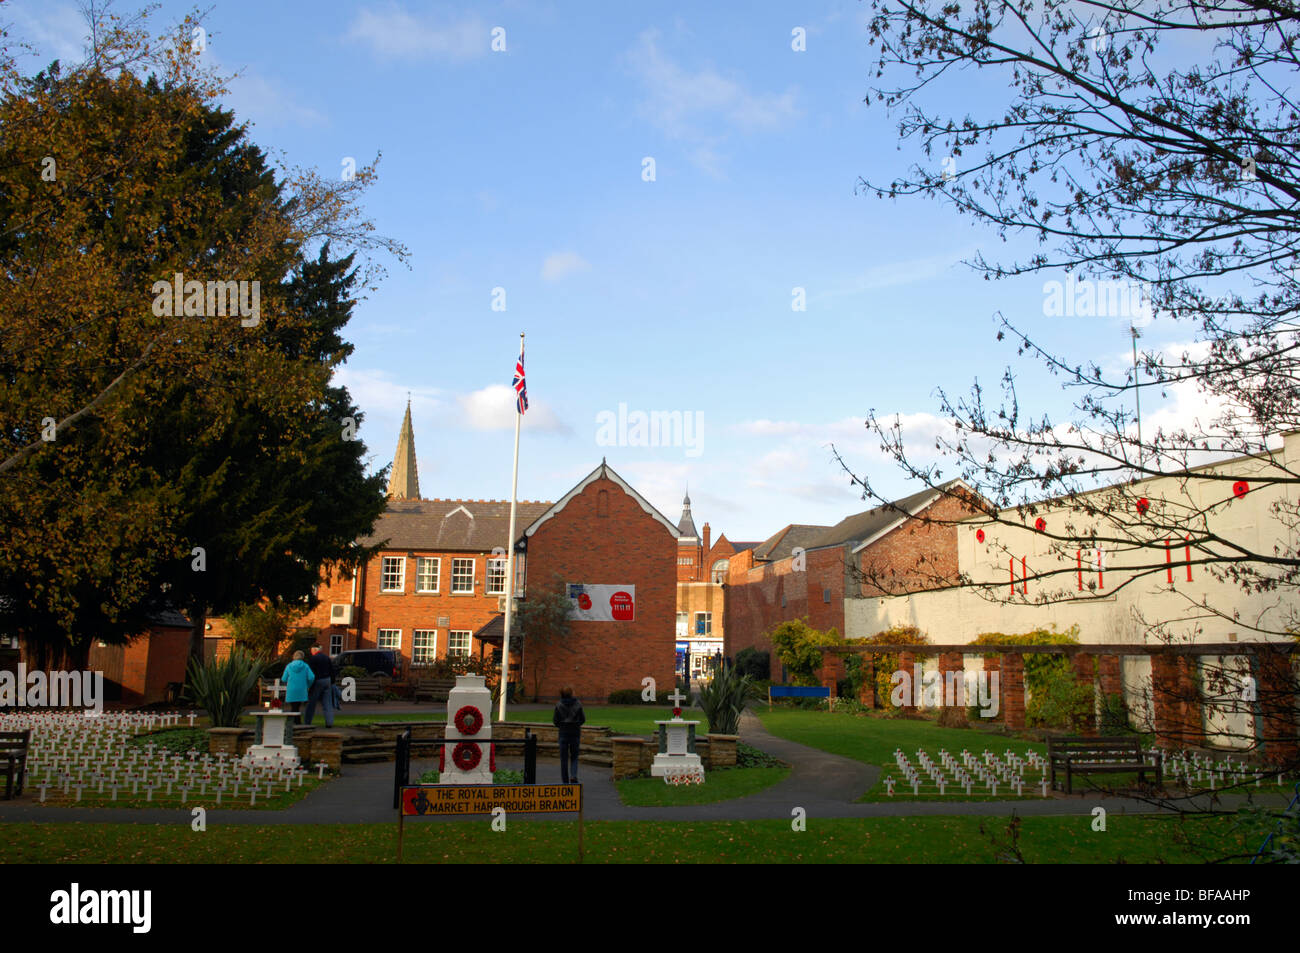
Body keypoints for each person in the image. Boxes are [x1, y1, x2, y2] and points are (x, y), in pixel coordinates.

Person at [552, 686, 585, 784]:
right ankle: (573, 775)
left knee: (564, 759)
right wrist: (576, 725)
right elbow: (583, 719)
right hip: (575, 733)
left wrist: (562, 726)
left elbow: (555, 721)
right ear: (571, 693)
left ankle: (565, 781)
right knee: (574, 756)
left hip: (563, 733)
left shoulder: (559, 705)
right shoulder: (578, 704)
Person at [303, 645, 335, 727]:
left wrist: (309, 685)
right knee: (327, 703)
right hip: (327, 680)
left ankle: (307, 722)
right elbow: (332, 670)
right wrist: (332, 681)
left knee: (311, 703)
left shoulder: (313, 659)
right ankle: (329, 722)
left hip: (317, 681)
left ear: (314, 650)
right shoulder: (327, 657)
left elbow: (310, 673)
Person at [282, 650, 314, 724]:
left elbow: (284, 678)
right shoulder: (305, 666)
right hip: (302, 689)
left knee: (294, 706)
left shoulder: (289, 666)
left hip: (291, 689)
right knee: (296, 706)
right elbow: (311, 677)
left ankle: (294, 722)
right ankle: (297, 721)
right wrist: (308, 685)